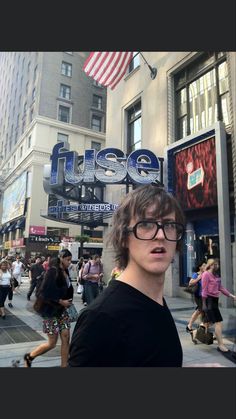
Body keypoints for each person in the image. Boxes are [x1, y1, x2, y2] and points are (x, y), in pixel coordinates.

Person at [68, 185, 186, 367]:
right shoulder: (100, 319)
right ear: (124, 237)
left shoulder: (155, 301)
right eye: (146, 224)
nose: (161, 235)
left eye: (169, 225)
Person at [24, 249, 74, 367]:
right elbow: (44, 292)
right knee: (52, 343)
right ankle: (30, 357)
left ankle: (64, 366)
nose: (70, 262)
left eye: (70, 260)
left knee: (66, 338)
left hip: (62, 311)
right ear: (61, 258)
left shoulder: (65, 271)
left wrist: (67, 301)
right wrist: (61, 301)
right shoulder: (52, 271)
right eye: (68, 260)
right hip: (50, 311)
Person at [200, 258, 236, 354]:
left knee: (208, 323)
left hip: (215, 300)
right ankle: (221, 345)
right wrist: (204, 305)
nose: (217, 266)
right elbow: (203, 290)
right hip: (209, 301)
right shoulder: (206, 274)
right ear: (211, 265)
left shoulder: (216, 276)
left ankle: (195, 333)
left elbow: (221, 288)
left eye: (218, 264)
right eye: (216, 264)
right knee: (218, 322)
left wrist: (232, 296)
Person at [186, 260, 206, 332]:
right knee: (203, 310)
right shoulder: (196, 274)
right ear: (200, 267)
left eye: (205, 265)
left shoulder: (206, 274)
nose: (205, 266)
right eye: (203, 265)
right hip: (198, 295)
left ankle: (189, 326)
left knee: (199, 311)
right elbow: (190, 283)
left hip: (204, 295)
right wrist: (198, 278)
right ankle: (202, 326)